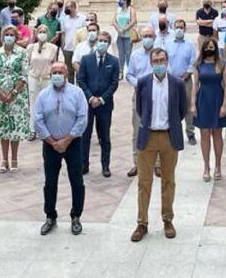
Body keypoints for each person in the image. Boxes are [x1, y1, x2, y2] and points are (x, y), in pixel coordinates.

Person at [131, 48, 187, 242]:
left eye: (162, 60)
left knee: (168, 181)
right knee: (144, 182)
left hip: (169, 138)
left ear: (167, 61)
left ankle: (167, 219)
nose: (159, 64)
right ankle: (142, 222)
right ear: (151, 62)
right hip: (148, 136)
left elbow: (182, 111)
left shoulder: (177, 83)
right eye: (156, 61)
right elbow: (140, 108)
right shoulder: (143, 83)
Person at [35, 61, 89, 236]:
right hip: (50, 144)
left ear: (67, 74)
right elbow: (38, 120)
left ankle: (76, 216)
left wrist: (67, 139)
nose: (57, 75)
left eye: (60, 72)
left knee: (76, 181)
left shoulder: (77, 93)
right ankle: (50, 216)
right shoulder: (43, 95)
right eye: (54, 73)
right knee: (50, 182)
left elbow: (82, 118)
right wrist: (52, 141)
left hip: (72, 143)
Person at [77, 30, 119, 177]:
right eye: (100, 40)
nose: (102, 43)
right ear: (96, 42)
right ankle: (83, 164)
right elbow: (81, 80)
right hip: (88, 104)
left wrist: (101, 99)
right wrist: (90, 98)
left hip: (105, 105)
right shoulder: (86, 59)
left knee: (104, 137)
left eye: (105, 41)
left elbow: (114, 83)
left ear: (108, 44)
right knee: (85, 136)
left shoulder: (114, 61)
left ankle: (105, 165)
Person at [0, 25, 30, 172]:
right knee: (3, 127)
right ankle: (4, 159)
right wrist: (0, 92)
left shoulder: (22, 53)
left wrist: (13, 93)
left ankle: (14, 159)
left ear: (16, 37)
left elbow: (24, 74)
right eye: (6, 34)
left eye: (12, 34)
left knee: (15, 126)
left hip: (17, 96)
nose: (9, 37)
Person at [193, 37, 226, 181]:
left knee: (217, 133)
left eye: (211, 47)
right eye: (206, 47)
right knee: (204, 133)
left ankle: (218, 165)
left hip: (217, 98)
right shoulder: (198, 64)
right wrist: (192, 103)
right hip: (203, 99)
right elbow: (195, 85)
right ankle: (206, 166)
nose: (209, 49)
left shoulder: (222, 64)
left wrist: (224, 104)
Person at [125, 26, 158, 177]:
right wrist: (137, 82)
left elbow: (168, 71)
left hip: (157, 95)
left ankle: (157, 165)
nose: (147, 38)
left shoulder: (160, 54)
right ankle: (137, 163)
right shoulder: (135, 55)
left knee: (157, 130)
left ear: (155, 37)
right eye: (145, 36)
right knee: (138, 129)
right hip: (139, 95)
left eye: (150, 35)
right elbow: (129, 74)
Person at [165, 18, 198, 144]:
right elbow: (165, 61)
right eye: (177, 27)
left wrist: (186, 74)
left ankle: (190, 133)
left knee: (189, 106)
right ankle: (174, 133)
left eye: (181, 27)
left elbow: (193, 62)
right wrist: (172, 76)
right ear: (173, 28)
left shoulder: (190, 45)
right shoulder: (168, 44)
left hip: (186, 80)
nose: (179, 29)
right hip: (171, 80)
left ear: (185, 29)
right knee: (173, 106)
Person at [27, 25, 60, 130]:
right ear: (36, 34)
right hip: (34, 78)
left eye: (44, 32)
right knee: (33, 103)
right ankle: (33, 129)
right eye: (40, 32)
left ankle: (47, 127)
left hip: (47, 79)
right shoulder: (31, 47)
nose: (42, 34)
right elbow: (26, 63)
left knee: (48, 104)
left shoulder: (53, 48)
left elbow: (55, 64)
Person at [59, 1, 86, 81]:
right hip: (67, 48)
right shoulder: (64, 19)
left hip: (79, 48)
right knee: (69, 71)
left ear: (74, 8)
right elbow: (63, 33)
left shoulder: (82, 18)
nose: (66, 9)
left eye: (68, 7)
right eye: (66, 7)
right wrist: (62, 46)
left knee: (79, 69)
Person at [114, 0, 137, 76]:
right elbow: (114, 21)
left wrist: (124, 29)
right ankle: (120, 71)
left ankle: (130, 71)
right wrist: (118, 29)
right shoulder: (118, 10)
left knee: (128, 53)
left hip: (128, 34)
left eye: (120, 0)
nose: (119, 1)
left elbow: (133, 21)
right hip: (119, 35)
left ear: (125, 1)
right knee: (120, 53)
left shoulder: (131, 10)